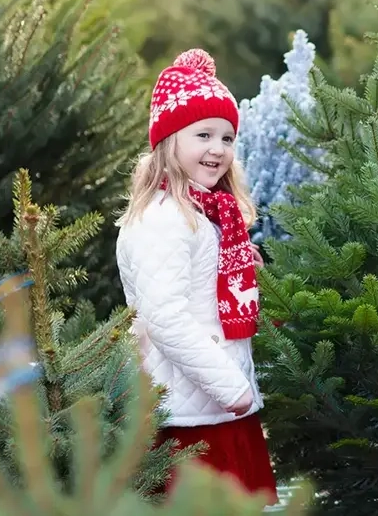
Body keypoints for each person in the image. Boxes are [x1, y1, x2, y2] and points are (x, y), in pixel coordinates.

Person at [115, 48, 276, 501]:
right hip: (191, 417)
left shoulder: (209, 214)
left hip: (216, 405)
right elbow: (164, 317)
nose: (218, 149)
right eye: (203, 134)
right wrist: (231, 388)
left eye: (227, 137)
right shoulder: (163, 218)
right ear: (169, 141)